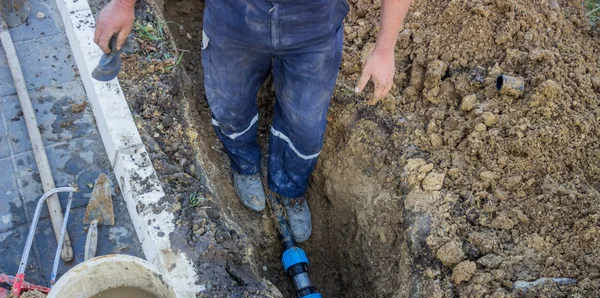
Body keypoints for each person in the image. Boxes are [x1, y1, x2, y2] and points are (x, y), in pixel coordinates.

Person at [94, 0, 411, 242]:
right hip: (235, 16)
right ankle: (244, 166)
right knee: (230, 106)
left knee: (306, 126)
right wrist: (123, 3)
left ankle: (289, 188)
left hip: (313, 27)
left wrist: (385, 48)